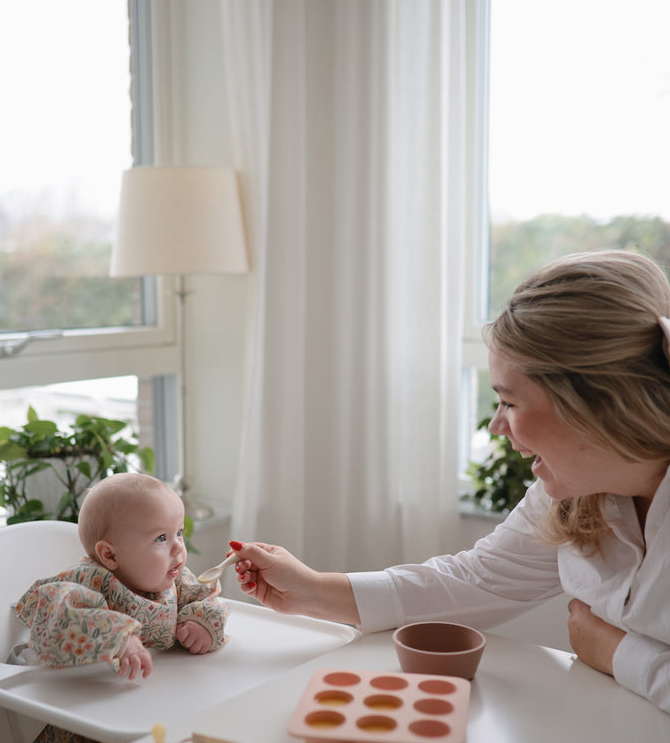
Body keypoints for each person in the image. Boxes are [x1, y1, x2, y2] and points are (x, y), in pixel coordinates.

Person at [230, 249, 670, 715]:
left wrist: (619, 653)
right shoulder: (572, 496)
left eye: (510, 403)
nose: (497, 425)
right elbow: (478, 581)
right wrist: (314, 589)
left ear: (594, 405)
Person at [13, 473, 228, 743]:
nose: (179, 548)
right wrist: (118, 636)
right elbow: (60, 618)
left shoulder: (172, 579)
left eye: (179, 532)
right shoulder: (88, 581)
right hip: (79, 724)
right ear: (110, 555)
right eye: (161, 538)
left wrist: (202, 622)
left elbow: (204, 596)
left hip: (147, 700)